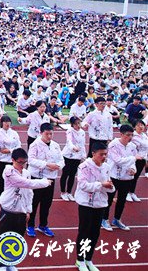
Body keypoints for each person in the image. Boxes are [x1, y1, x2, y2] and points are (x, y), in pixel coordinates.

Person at [0, 148, 53, 271]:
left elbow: (29, 192)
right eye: (20, 162)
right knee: (4, 237)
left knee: (18, 238)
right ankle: (1, 265)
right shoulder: (8, 171)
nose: (22, 165)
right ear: (13, 160)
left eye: (24, 162)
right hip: (8, 209)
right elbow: (26, 183)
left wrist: (28, 210)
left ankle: (11, 262)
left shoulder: (26, 172)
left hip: (21, 211)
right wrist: (44, 182)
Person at [75, 142, 115, 271]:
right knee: (84, 232)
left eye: (105, 154)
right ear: (93, 153)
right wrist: (101, 185)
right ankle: (80, 260)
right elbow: (83, 185)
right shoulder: (84, 166)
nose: (104, 157)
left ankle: (89, 259)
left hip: (100, 204)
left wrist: (109, 186)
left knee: (95, 233)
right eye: (101, 154)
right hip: (86, 203)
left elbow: (109, 185)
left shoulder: (107, 167)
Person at [26, 123, 64, 238]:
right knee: (34, 202)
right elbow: (31, 160)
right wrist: (47, 165)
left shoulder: (56, 145)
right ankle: (30, 225)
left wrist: (58, 166)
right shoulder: (35, 145)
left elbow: (61, 160)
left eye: (51, 133)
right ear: (41, 133)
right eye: (47, 134)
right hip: (37, 178)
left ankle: (43, 225)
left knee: (46, 204)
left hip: (50, 178)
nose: (49, 136)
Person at [102, 124, 140, 231]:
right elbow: (118, 160)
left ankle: (117, 219)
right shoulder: (113, 145)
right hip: (113, 176)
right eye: (127, 135)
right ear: (121, 134)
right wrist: (133, 159)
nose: (130, 137)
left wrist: (133, 170)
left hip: (126, 178)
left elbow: (133, 162)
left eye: (132, 135)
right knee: (109, 199)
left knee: (122, 200)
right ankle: (104, 219)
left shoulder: (132, 146)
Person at [0, 115, 21, 206]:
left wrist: (10, 151)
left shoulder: (14, 133)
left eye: (8, 122)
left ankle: (7, 197)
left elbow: (18, 145)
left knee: (10, 179)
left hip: (10, 160)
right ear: (1, 123)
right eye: (5, 122)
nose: (7, 124)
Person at [60, 116, 86, 201]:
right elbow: (69, 141)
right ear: (72, 124)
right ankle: (63, 192)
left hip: (77, 157)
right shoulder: (70, 131)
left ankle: (69, 192)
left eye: (79, 123)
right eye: (76, 124)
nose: (78, 125)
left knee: (72, 175)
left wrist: (83, 156)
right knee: (65, 174)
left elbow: (83, 144)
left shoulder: (82, 132)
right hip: (68, 155)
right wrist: (73, 148)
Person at [128, 119, 147, 202]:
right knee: (130, 176)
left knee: (136, 177)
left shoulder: (144, 135)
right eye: (138, 125)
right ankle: (127, 193)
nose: (141, 126)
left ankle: (132, 192)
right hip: (134, 159)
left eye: (142, 125)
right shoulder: (133, 136)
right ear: (134, 127)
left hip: (142, 159)